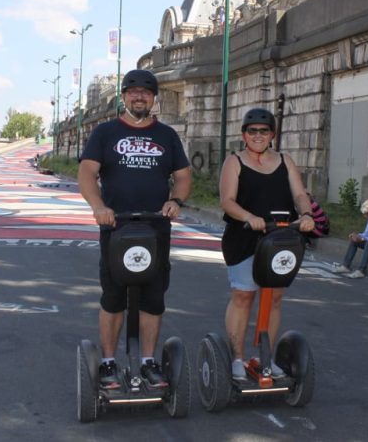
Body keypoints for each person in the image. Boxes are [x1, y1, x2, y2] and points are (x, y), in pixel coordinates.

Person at [78, 69, 192, 389]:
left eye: (146, 91)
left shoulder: (167, 135)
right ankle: (109, 362)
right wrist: (99, 207)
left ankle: (147, 362)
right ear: (124, 96)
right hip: (116, 226)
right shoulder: (105, 133)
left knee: (153, 298)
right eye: (133, 91)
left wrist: (177, 200)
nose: (139, 96)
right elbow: (87, 173)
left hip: (156, 227)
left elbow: (182, 176)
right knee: (113, 296)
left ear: (154, 98)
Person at [219, 108, 315, 381]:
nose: (258, 136)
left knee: (273, 299)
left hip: (279, 239)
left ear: (272, 134)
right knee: (243, 296)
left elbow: (299, 193)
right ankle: (237, 358)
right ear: (244, 135)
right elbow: (227, 200)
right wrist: (249, 217)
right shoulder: (234, 161)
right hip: (245, 237)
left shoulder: (285, 161)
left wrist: (306, 214)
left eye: (263, 131)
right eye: (252, 131)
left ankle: (264, 357)